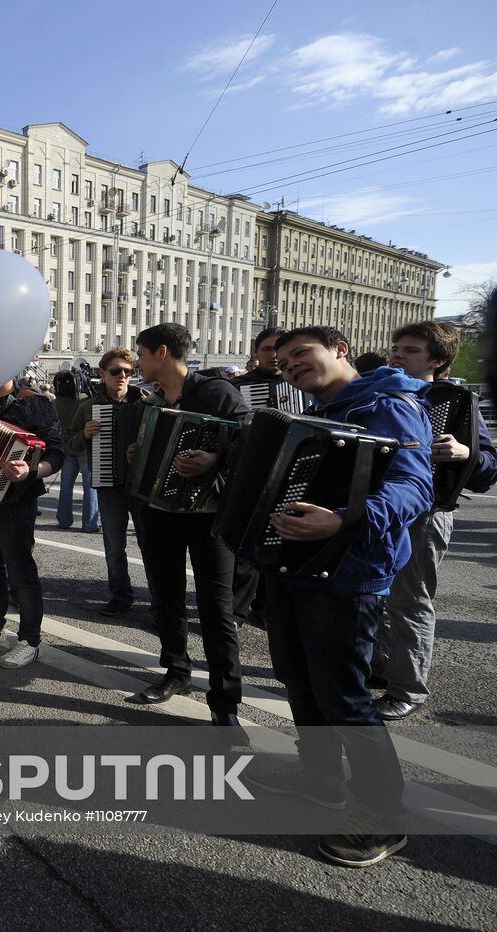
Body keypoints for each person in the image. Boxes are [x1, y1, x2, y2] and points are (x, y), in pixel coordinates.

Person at [249, 326, 431, 868]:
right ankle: (321, 777)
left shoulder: (388, 404)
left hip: (349, 574)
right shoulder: (313, 414)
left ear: (339, 350)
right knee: (298, 679)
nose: (291, 366)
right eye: (283, 362)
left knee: (345, 699)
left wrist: (344, 519)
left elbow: (415, 488)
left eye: (301, 354)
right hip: (292, 567)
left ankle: (383, 813)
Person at [372, 322, 497, 719]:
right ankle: (379, 667)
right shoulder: (373, 392)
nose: (396, 355)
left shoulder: (452, 400)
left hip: (425, 513)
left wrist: (466, 453)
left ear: (437, 361)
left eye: (410, 350)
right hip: (376, 509)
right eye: (396, 347)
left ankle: (407, 688)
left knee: (409, 600)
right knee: (372, 595)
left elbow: (489, 467)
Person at [127, 324, 247, 737]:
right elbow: (148, 451)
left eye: (141, 354)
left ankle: (225, 702)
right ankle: (176, 671)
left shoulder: (217, 393)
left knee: (216, 609)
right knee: (166, 599)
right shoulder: (153, 401)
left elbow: (249, 444)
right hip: (159, 513)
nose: (137, 362)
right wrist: (138, 450)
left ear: (161, 352)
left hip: (209, 519)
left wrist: (213, 458)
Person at [0, 378, 65, 668]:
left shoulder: (34, 402)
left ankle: (30, 641)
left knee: (21, 573)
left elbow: (57, 453)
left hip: (16, 501)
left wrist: (31, 470)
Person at [64, 349, 151, 616]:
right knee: (114, 547)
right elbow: (68, 445)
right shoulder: (88, 407)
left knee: (150, 546)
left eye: (128, 371)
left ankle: (160, 601)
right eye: (116, 371)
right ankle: (120, 596)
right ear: (102, 374)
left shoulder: (147, 402)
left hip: (142, 487)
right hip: (109, 486)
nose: (122, 376)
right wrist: (84, 435)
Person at [229, 326, 285, 630]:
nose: (274, 355)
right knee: (245, 547)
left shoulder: (303, 384)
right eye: (267, 349)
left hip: (288, 476)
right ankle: (236, 611)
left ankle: (265, 607)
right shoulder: (240, 386)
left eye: (279, 348)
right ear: (256, 352)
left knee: (278, 544)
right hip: (251, 474)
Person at [51, 371, 97, 532]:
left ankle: (64, 520)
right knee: (90, 485)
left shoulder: (54, 403)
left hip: (66, 447)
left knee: (66, 485)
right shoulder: (84, 401)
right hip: (83, 446)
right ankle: (89, 524)